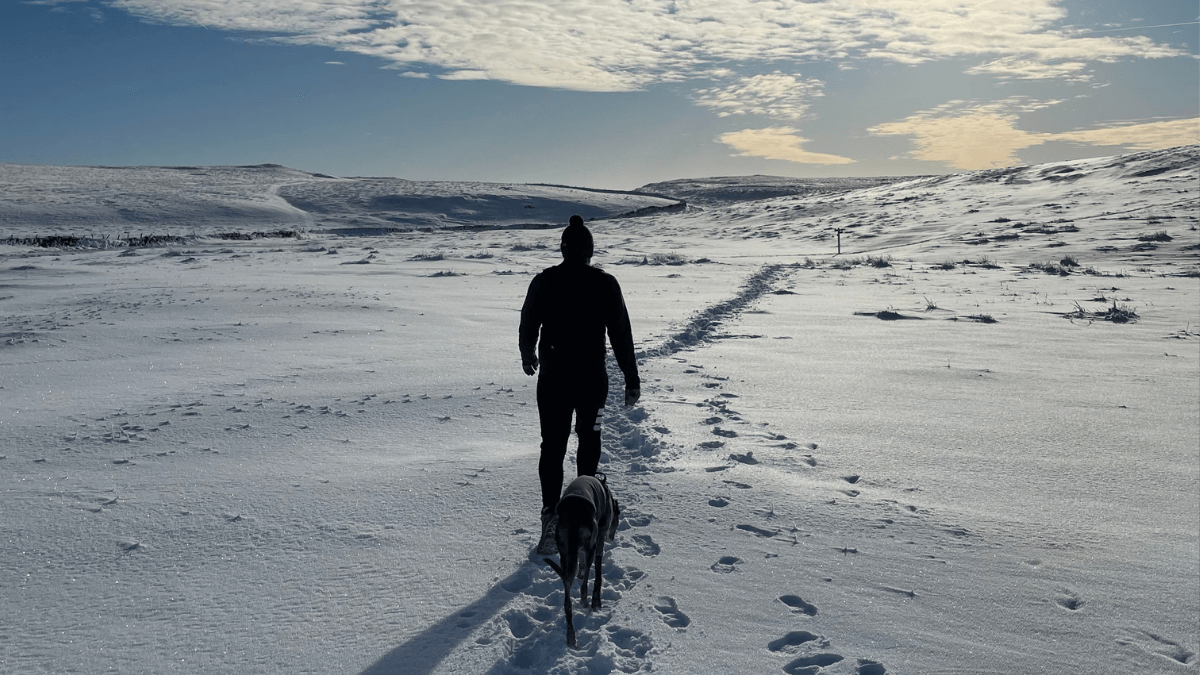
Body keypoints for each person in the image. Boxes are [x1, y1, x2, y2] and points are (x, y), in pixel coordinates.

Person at [519, 215, 640, 555]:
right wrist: (631, 379)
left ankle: (550, 517)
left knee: (553, 446)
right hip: (591, 382)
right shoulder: (605, 283)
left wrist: (527, 354)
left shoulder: (545, 281)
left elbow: (528, 320)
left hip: (553, 381)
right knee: (590, 437)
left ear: (564, 249)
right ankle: (585, 513)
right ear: (590, 251)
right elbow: (621, 334)